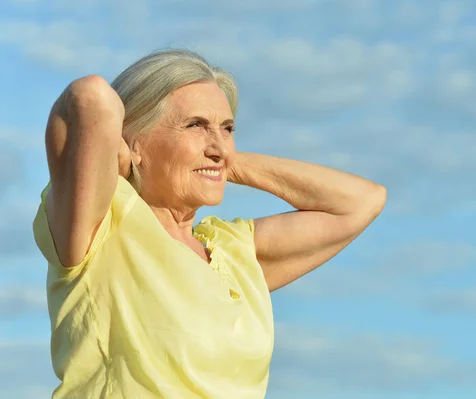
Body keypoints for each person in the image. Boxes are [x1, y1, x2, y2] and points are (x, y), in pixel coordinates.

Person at [32, 49, 386, 399]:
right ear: (134, 139)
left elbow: (362, 202)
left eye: (227, 128)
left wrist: (223, 162)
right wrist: (118, 152)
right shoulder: (99, 224)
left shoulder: (233, 251)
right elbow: (90, 96)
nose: (217, 144)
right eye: (195, 125)